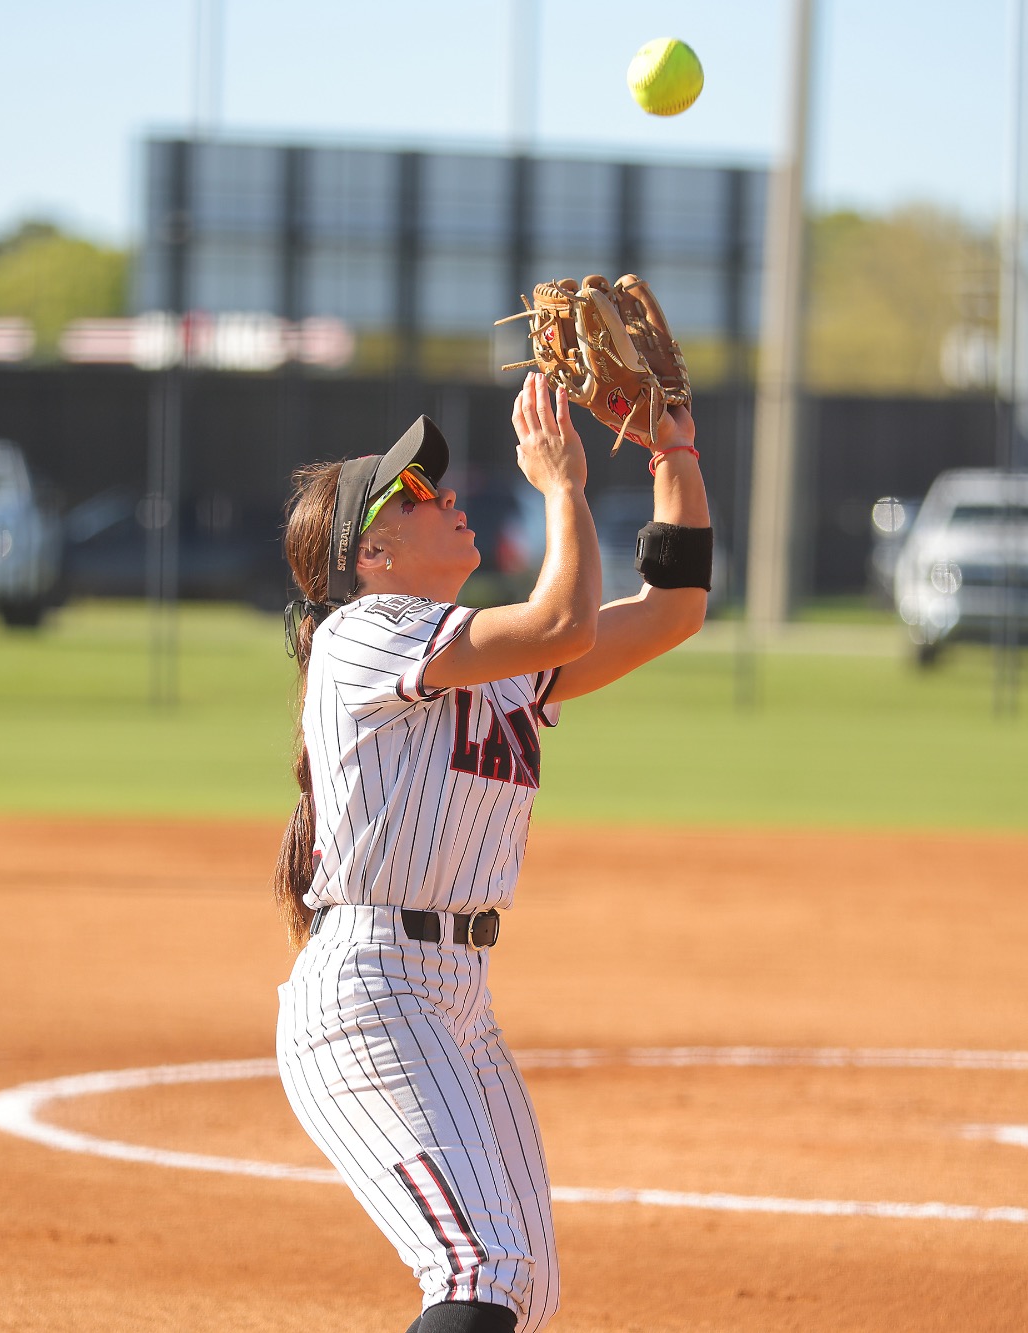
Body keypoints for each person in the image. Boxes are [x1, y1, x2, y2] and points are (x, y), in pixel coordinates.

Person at [272, 373, 711, 1333]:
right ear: (371, 553)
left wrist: (671, 453)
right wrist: (562, 486)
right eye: (415, 493)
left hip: (453, 996)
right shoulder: (358, 633)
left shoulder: (493, 664)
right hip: (370, 995)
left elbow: (674, 609)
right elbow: (562, 620)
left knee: (524, 1286)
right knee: (481, 1267)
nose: (446, 492)